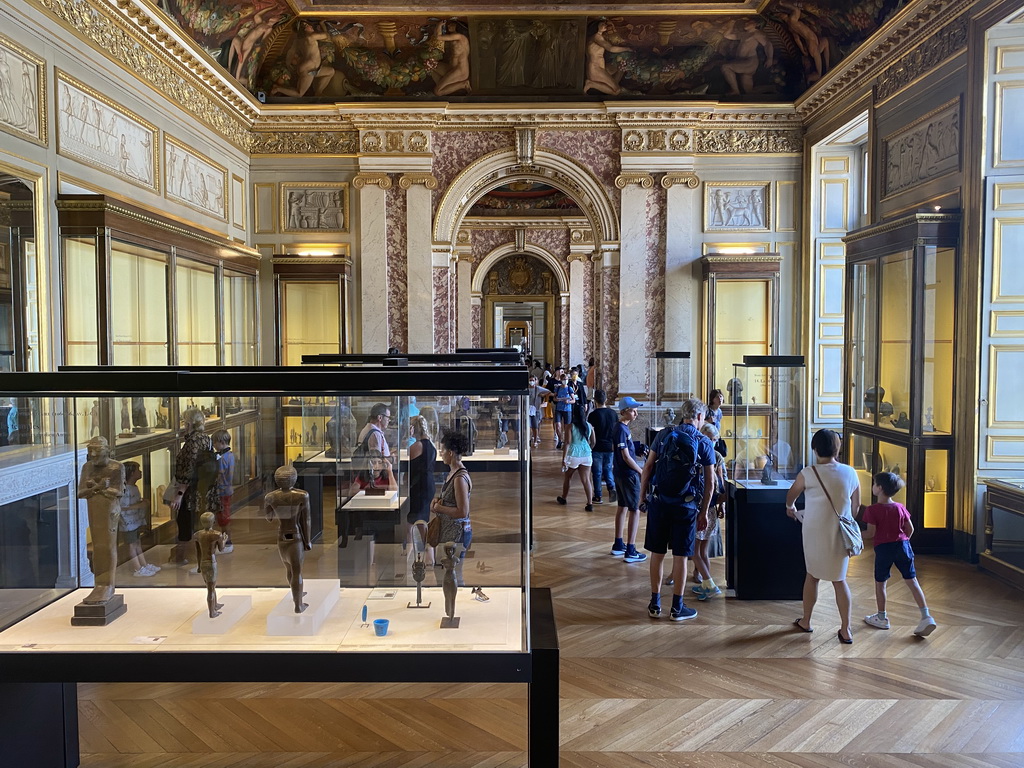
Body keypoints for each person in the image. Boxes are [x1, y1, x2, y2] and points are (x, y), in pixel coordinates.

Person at [640, 398, 716, 621]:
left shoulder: (664, 435)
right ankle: (677, 608)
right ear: (700, 417)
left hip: (659, 501)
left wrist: (642, 496)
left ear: (683, 415)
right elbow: (710, 483)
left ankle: (655, 604)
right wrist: (703, 512)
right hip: (686, 505)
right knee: (681, 555)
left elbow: (648, 467)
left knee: (657, 553)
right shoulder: (703, 442)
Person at [786, 428, 861, 644]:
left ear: (815, 448)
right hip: (839, 533)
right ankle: (846, 629)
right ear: (837, 448)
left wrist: (790, 508)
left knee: (812, 576)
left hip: (814, 531)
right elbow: (856, 506)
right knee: (840, 581)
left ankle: (807, 620)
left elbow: (791, 495)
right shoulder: (850, 472)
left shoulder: (808, 473)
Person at [863, 472, 937, 637]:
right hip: (903, 546)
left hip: (884, 549)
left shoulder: (872, 510)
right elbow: (910, 529)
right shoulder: (900, 507)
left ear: (880, 488)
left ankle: (881, 617)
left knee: (880, 583)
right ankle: (926, 616)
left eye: (874, 483)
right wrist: (903, 541)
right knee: (912, 581)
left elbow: (870, 533)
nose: (873, 486)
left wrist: (853, 534)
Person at [168, 407, 221, 565]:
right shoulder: (206, 438)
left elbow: (189, 470)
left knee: (186, 523)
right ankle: (200, 558)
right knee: (200, 523)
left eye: (185, 421)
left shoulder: (192, 442)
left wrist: (179, 495)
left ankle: (192, 559)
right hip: (205, 490)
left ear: (189, 423)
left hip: (192, 493)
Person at [78, 436, 125, 604]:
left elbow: (118, 492)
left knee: (108, 545)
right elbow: (81, 493)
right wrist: (99, 488)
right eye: (90, 452)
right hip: (95, 508)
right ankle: (99, 584)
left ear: (107, 451)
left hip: (109, 509)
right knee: (98, 546)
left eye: (97, 452)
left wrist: (97, 488)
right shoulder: (87, 467)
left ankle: (107, 585)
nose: (93, 455)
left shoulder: (116, 467)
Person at [264, 465, 312, 614]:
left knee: (289, 568)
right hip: (295, 536)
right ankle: (298, 605)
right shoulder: (301, 495)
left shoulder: (270, 497)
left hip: (281, 536)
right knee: (297, 571)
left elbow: (269, 518)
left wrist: (272, 504)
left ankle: (296, 593)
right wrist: (308, 540)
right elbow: (306, 520)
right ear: (294, 478)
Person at [610, 396, 647, 564]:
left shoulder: (620, 428)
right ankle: (631, 549)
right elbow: (625, 456)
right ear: (624, 411)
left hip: (619, 473)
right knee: (635, 509)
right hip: (628, 474)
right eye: (633, 410)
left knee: (623, 506)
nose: (636, 413)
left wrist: (637, 450)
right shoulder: (621, 429)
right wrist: (640, 471)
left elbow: (626, 451)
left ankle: (619, 543)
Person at [691, 423, 726, 598]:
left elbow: (716, 484)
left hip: (702, 509)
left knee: (694, 551)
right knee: (702, 551)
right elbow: (720, 484)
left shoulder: (700, 455)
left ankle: (710, 583)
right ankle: (706, 585)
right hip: (710, 508)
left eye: (714, 440)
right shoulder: (713, 456)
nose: (712, 442)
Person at [431, 429, 473, 560]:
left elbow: (462, 511)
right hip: (448, 531)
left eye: (442, 451)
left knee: (453, 576)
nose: (441, 454)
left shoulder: (459, 478)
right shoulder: (453, 473)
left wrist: (439, 508)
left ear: (450, 453)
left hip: (456, 533)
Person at [120, 461, 159, 577]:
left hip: (134, 520)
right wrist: (140, 505)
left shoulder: (133, 487)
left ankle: (143, 565)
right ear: (132, 473)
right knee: (132, 545)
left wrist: (142, 503)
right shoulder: (125, 489)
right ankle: (137, 568)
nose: (140, 472)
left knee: (137, 543)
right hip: (128, 522)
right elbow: (122, 507)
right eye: (138, 470)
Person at [407, 415, 437, 563]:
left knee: (415, 518)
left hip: (418, 485)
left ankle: (416, 549)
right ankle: (427, 548)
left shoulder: (416, 446)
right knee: (422, 517)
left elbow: (407, 463)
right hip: (428, 483)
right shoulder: (430, 444)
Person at [557, 403, 596, 511]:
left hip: (573, 454)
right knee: (586, 480)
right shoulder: (589, 426)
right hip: (586, 454)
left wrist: (564, 458)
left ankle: (564, 498)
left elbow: (568, 442)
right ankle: (589, 503)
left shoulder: (570, 426)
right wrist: (588, 449)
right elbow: (593, 442)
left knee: (568, 477)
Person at [588, 389, 618, 505]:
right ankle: (611, 488)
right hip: (610, 446)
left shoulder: (593, 415)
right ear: (606, 399)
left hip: (597, 447)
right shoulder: (613, 413)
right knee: (608, 469)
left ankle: (598, 496)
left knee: (597, 472)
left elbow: (591, 433)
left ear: (595, 400)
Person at [193, 511, 225, 618]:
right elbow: (221, 549)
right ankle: (212, 612)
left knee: (210, 585)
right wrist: (224, 539)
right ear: (213, 522)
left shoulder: (197, 535)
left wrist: (198, 566)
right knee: (211, 588)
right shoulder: (216, 535)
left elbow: (198, 552)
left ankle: (215, 605)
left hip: (203, 562)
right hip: (211, 562)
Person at [212, 429, 235, 554]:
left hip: (222, 490)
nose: (214, 446)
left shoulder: (221, 458)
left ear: (221, 442)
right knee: (223, 517)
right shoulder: (230, 455)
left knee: (223, 518)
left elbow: (219, 474)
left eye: (215, 443)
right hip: (228, 489)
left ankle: (227, 542)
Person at [527, 374, 551, 448]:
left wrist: (542, 395)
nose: (531, 382)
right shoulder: (526, 389)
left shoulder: (538, 389)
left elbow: (548, 391)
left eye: (533, 380)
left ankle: (535, 439)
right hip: (527, 409)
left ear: (535, 381)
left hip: (535, 409)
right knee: (528, 425)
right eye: (530, 380)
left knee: (535, 425)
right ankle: (528, 439)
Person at [553, 371, 576, 450]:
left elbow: (573, 400)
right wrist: (557, 399)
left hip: (567, 409)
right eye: (563, 379)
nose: (564, 381)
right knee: (558, 426)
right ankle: (560, 439)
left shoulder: (569, 389)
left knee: (567, 427)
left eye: (566, 379)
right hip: (559, 409)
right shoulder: (558, 388)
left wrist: (568, 401)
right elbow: (554, 398)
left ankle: (567, 441)